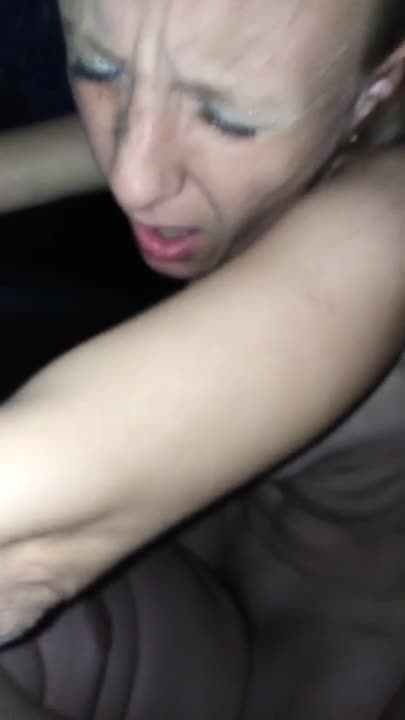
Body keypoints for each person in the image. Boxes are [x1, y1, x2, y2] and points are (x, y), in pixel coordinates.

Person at [0, 0, 404, 705]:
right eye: (99, 69)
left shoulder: (384, 224)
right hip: (183, 572)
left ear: (379, 87)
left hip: (286, 676)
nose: (134, 178)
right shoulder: (274, 121)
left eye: (226, 119)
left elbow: (23, 526)